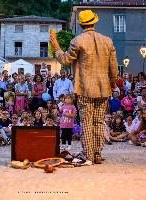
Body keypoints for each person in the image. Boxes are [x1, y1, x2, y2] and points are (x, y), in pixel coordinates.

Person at [50, 9, 118, 165]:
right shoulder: (107, 41)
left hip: (85, 89)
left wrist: (56, 47)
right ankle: (97, 154)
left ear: (81, 24)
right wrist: (112, 82)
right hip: (104, 89)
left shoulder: (77, 40)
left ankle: (88, 155)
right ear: (95, 22)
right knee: (99, 122)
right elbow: (113, 66)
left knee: (87, 122)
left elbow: (66, 60)